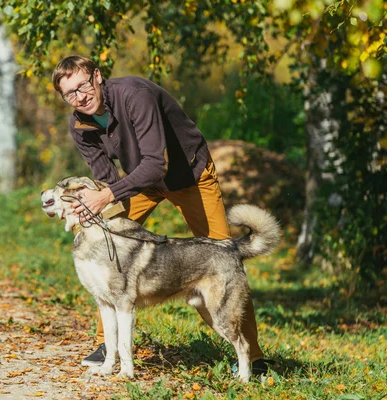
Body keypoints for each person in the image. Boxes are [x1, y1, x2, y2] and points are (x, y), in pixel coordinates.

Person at [51, 55, 272, 376]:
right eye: (69, 94)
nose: (79, 97)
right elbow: (107, 180)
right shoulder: (80, 125)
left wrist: (108, 195)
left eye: (83, 86)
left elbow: (156, 163)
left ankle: (253, 357)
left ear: (97, 77)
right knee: (108, 247)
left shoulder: (133, 96)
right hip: (139, 183)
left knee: (222, 262)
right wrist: (87, 207)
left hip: (189, 176)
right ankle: (108, 345)